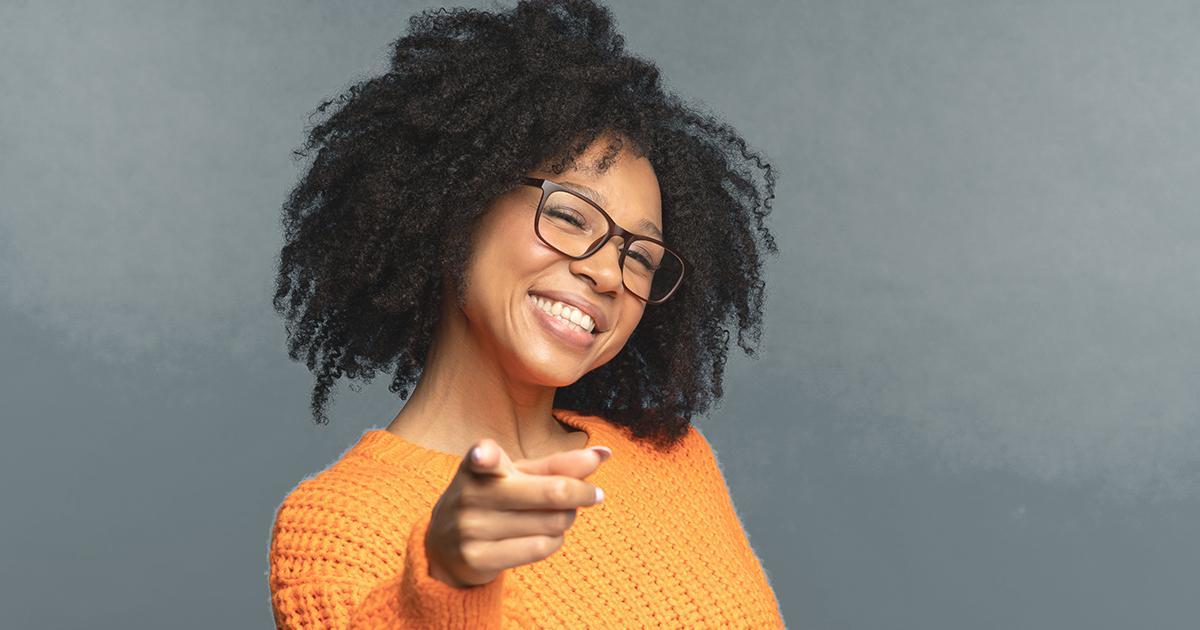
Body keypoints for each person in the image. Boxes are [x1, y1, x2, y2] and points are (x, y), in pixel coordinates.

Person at [267, 0, 783, 627]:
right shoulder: (338, 522)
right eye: (569, 216)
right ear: (457, 205)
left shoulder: (672, 460)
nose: (606, 272)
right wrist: (446, 579)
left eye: (640, 256)